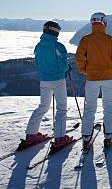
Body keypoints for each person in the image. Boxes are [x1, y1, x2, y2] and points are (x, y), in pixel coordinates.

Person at [21, 21, 75, 152]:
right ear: (54, 31)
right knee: (61, 109)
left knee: (43, 106)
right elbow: (63, 65)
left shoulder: (38, 46)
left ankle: (31, 134)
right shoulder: (58, 46)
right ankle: (60, 138)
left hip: (44, 80)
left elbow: (38, 64)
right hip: (58, 80)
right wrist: (67, 67)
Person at [76, 12, 112, 151]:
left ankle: (86, 137)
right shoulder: (111, 40)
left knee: (90, 107)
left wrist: (84, 70)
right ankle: (108, 135)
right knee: (108, 106)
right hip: (109, 77)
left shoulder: (85, 40)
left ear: (92, 23)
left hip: (92, 78)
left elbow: (79, 57)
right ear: (104, 23)